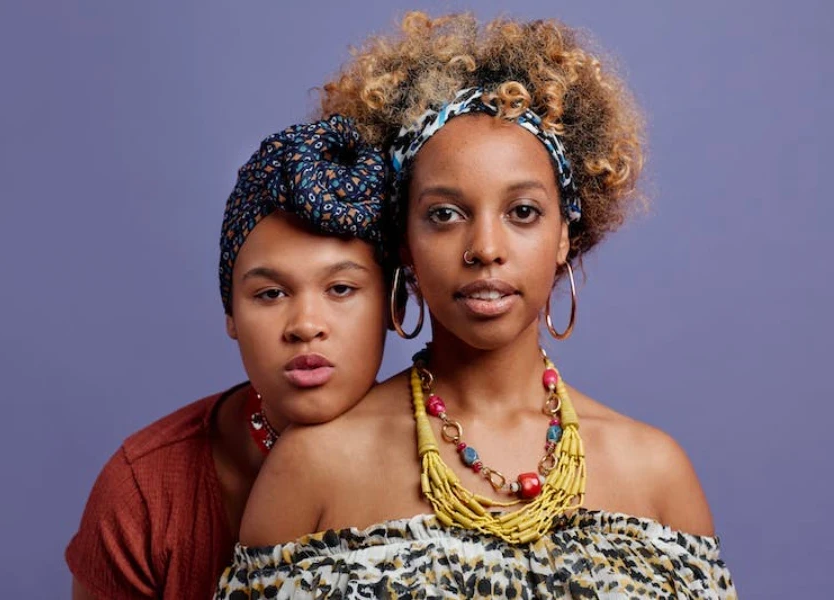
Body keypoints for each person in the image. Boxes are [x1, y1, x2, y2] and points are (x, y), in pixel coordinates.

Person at [218, 12, 736, 598]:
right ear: (405, 243)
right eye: (445, 214)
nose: (486, 249)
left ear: (565, 234)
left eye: (522, 213)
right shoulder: (312, 467)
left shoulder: (658, 476)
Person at [66, 116, 391, 599]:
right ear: (231, 314)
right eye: (270, 293)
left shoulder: (455, 465)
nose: (305, 323)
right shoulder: (143, 492)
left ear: (392, 303)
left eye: (341, 288)